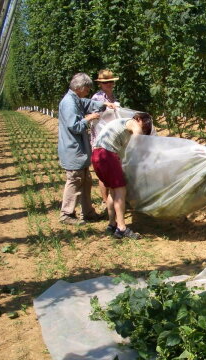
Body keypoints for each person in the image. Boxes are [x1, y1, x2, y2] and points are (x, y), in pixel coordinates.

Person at [58, 72, 117, 225]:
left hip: (79, 149)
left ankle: (88, 212)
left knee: (86, 181)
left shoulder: (75, 99)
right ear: (80, 87)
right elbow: (74, 126)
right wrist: (88, 118)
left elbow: (87, 103)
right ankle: (66, 214)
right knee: (74, 180)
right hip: (73, 148)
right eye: (86, 89)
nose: (88, 92)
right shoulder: (69, 103)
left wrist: (104, 105)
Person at [91, 112, 153, 239]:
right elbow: (138, 141)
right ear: (139, 119)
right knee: (120, 191)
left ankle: (112, 224)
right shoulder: (133, 123)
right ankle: (122, 228)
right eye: (144, 127)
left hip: (97, 155)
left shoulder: (119, 124)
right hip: (107, 155)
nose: (143, 130)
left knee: (113, 192)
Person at [90, 69, 119, 209]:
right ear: (100, 84)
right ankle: (104, 200)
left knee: (113, 168)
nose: (109, 84)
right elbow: (94, 116)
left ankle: (114, 198)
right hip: (100, 138)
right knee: (103, 171)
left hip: (113, 137)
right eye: (106, 82)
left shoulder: (113, 96)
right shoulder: (97, 98)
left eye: (111, 82)